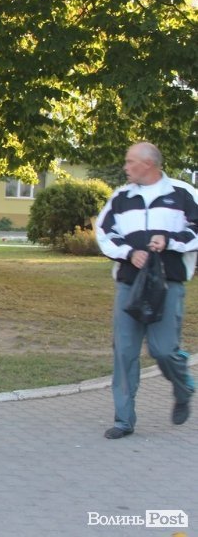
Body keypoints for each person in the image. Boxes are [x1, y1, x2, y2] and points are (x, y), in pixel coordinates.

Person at [96, 141, 198, 439]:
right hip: (129, 284)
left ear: (148, 164)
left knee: (163, 350)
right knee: (125, 351)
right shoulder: (121, 197)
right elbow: (104, 233)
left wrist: (169, 240)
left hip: (168, 284)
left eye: (130, 161)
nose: (125, 167)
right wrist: (129, 252)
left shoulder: (182, 193)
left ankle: (183, 387)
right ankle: (124, 420)